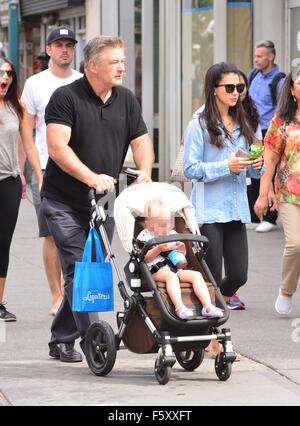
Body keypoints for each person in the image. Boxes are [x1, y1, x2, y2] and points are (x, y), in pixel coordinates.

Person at [41, 36, 154, 362]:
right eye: (114, 61)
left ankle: (61, 336)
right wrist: (90, 177)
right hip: (63, 199)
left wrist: (144, 170)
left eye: (122, 61)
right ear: (92, 66)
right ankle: (94, 343)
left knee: (91, 270)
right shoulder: (65, 98)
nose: (122, 66)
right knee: (80, 269)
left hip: (102, 203)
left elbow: (141, 141)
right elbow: (57, 147)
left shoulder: (127, 100)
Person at [183, 63, 264, 354]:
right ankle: (210, 337)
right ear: (213, 89)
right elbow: (190, 169)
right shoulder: (199, 125)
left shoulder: (246, 124)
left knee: (239, 275)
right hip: (208, 212)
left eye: (239, 88)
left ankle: (204, 311)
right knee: (212, 276)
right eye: (229, 88)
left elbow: (256, 170)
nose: (235, 93)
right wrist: (224, 166)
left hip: (236, 210)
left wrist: (257, 165)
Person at [21, 26, 82, 317]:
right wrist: (36, 170)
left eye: (69, 45)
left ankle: (75, 293)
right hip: (46, 167)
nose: (64, 50)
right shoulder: (35, 84)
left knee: (77, 234)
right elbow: (28, 132)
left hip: (76, 169)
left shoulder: (83, 82)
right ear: (48, 50)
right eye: (58, 44)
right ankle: (57, 296)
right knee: (50, 235)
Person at [255, 68, 300, 316]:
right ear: (292, 90)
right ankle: (286, 290)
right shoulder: (281, 121)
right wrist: (264, 193)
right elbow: (270, 158)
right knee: (295, 244)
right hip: (290, 191)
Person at [0, 58, 43, 321]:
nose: (4, 78)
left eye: (8, 74)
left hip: (9, 182)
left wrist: (38, 175)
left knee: (2, 243)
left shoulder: (18, 108)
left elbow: (29, 146)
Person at [137, 197, 224, 319]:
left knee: (196, 275)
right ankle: (180, 307)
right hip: (155, 271)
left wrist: (182, 249)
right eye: (161, 225)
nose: (166, 228)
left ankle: (207, 306)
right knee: (171, 277)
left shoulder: (172, 234)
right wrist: (158, 249)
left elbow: (181, 255)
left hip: (175, 268)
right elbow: (143, 258)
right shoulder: (145, 236)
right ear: (149, 224)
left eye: (169, 223)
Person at [248, 40, 285, 233]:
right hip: (253, 132)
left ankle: (270, 217)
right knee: (254, 168)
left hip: (269, 133)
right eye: (255, 56)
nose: (256, 60)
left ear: (271, 57)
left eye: (260, 56)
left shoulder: (279, 80)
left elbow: (282, 110)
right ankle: (255, 215)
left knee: (269, 172)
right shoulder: (253, 75)